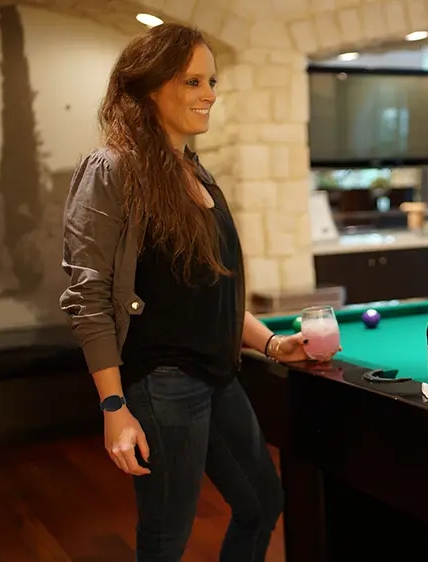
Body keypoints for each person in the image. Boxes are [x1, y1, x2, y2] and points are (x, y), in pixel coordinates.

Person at [59, 23, 338, 561]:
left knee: (262, 500)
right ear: (147, 87)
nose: (210, 94)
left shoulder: (192, 170)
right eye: (192, 82)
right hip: (160, 384)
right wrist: (113, 406)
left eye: (212, 81)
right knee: (166, 538)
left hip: (217, 374)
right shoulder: (112, 169)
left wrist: (272, 343)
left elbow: (211, 292)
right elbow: (87, 297)